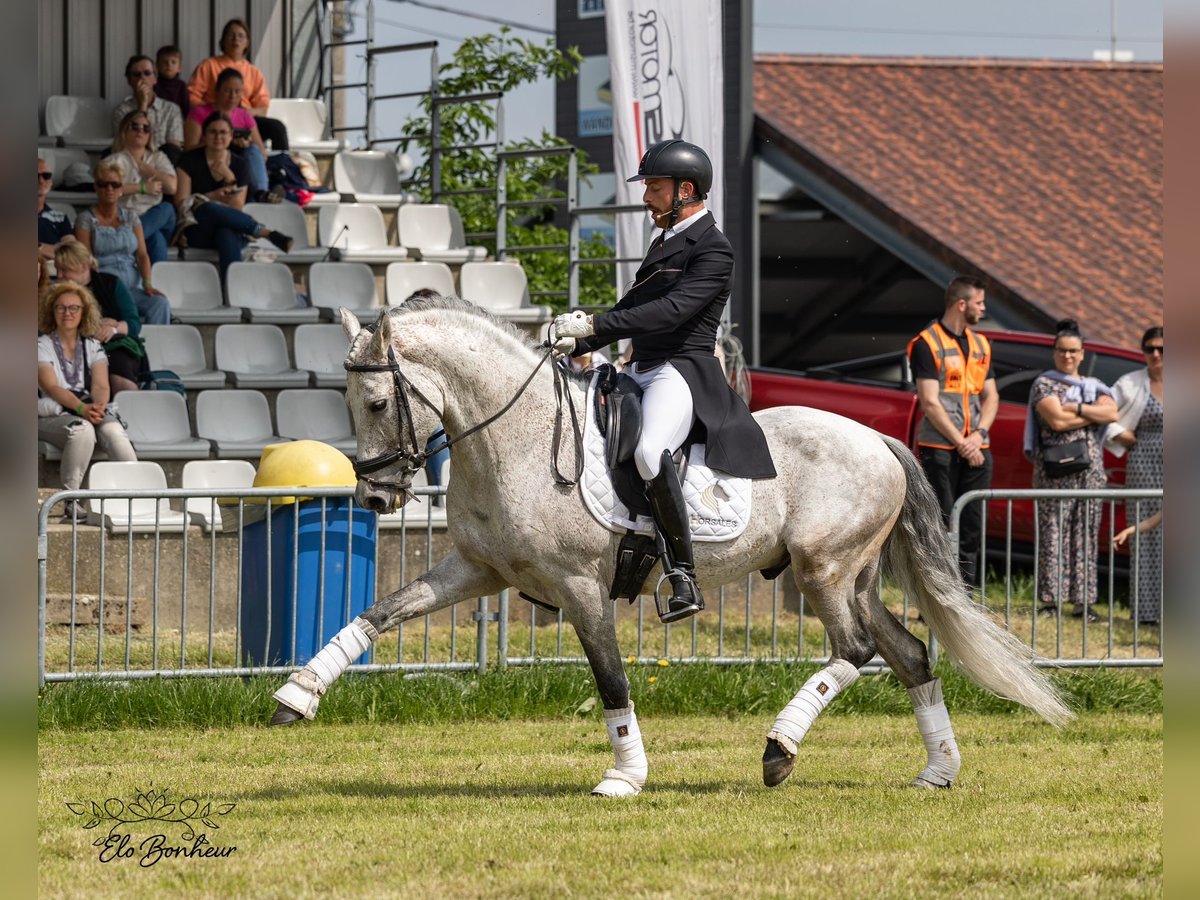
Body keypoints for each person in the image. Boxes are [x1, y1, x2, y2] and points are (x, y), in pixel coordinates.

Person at [552, 139, 776, 624]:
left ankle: (683, 574)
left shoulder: (714, 248)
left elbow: (673, 311)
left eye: (654, 186)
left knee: (651, 451)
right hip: (642, 368)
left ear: (685, 190)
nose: (647, 196)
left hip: (682, 370)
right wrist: (578, 344)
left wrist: (593, 325)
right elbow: (634, 310)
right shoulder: (664, 243)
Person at [1024, 319, 1119, 621]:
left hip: (1090, 470)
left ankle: (1084, 602)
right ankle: (1051, 602)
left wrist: (1075, 408)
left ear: (1082, 354)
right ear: (1054, 352)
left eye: (1073, 351)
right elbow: (1056, 422)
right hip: (1054, 469)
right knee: (1053, 532)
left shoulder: (1093, 386)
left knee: (1087, 533)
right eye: (1062, 351)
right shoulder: (1044, 383)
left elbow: (1112, 412)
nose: (1068, 356)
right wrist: (1093, 416)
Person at [906, 276, 998, 586]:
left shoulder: (981, 344)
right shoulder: (927, 343)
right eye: (979, 303)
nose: (983, 309)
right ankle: (938, 594)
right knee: (940, 523)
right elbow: (930, 403)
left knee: (971, 526)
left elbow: (991, 396)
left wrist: (979, 435)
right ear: (962, 304)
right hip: (940, 448)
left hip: (975, 446)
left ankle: (967, 598)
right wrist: (962, 443)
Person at [38, 282, 138, 521]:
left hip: (89, 408)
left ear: (84, 312)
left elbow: (101, 386)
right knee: (82, 431)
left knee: (115, 432)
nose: (67, 313)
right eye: (60, 308)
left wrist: (98, 407)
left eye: (74, 308)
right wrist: (83, 408)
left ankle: (138, 494)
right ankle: (69, 501)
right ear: (52, 311)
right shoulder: (41, 345)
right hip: (51, 414)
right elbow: (51, 387)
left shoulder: (93, 345)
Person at [174, 111, 293, 279]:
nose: (218, 137)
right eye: (213, 132)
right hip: (197, 228)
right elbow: (181, 202)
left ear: (231, 136)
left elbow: (236, 206)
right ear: (204, 135)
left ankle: (230, 288)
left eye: (223, 132)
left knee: (226, 232)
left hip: (231, 226)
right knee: (206, 206)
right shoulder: (188, 160)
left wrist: (229, 176)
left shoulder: (239, 164)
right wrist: (212, 197)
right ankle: (264, 232)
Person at [1105, 325, 1164, 624]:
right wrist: (1120, 433)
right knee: (1144, 534)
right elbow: (1102, 414)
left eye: (1162, 349)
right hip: (1143, 462)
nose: (1155, 354)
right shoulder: (1130, 382)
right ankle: (1145, 612)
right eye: (1149, 348)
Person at [74, 160, 172, 325]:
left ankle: (156, 348)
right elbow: (87, 259)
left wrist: (147, 283)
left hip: (133, 286)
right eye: (103, 184)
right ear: (96, 188)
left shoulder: (131, 217)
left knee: (160, 303)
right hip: (106, 288)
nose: (109, 189)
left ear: (121, 189)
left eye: (115, 184)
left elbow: (141, 255)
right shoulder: (85, 219)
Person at [54, 242, 146, 393]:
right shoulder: (56, 293)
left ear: (84, 266)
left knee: (117, 368)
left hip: (113, 346)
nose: (59, 276)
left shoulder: (110, 283)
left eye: (64, 270)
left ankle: (128, 409)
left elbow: (134, 323)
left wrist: (114, 328)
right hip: (74, 346)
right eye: (58, 270)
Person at [188, 18, 289, 150]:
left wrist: (246, 113)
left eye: (241, 36)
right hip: (215, 118)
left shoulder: (254, 72)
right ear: (223, 40)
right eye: (231, 35)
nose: (236, 40)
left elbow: (263, 107)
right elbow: (192, 96)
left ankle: (281, 164)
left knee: (277, 128)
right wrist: (212, 110)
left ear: (247, 43)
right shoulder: (208, 65)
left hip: (244, 120)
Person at [185, 68, 281, 203]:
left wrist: (246, 144)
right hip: (209, 160)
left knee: (252, 150)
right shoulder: (199, 113)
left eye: (238, 92)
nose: (233, 96)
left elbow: (260, 150)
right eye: (227, 91)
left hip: (239, 163)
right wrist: (219, 141)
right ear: (217, 91)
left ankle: (262, 192)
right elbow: (189, 148)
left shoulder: (244, 115)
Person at [105, 110, 178, 264]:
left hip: (155, 216)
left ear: (150, 134)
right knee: (156, 239)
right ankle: (156, 286)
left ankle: (126, 241)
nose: (141, 131)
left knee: (167, 209)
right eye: (135, 126)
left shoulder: (158, 157)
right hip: (126, 218)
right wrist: (142, 188)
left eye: (146, 128)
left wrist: (150, 171)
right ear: (124, 131)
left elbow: (172, 187)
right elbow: (107, 191)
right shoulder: (113, 160)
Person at [110, 55, 184, 165]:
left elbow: (174, 148)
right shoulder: (121, 111)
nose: (142, 78)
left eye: (147, 73)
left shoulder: (171, 109)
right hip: (132, 162)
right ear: (129, 81)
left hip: (164, 164)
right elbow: (127, 144)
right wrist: (142, 105)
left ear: (155, 79)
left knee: (171, 150)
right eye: (136, 74)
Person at [38, 157, 75, 260]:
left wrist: (38, 247)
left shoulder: (61, 217)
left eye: (46, 176)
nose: (41, 180)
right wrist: (54, 249)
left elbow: (70, 252)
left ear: (51, 182)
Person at [154, 45, 190, 118]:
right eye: (164, 62)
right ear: (157, 66)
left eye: (173, 62)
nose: (169, 65)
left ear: (179, 68)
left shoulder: (181, 86)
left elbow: (186, 108)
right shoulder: (153, 84)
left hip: (177, 119)